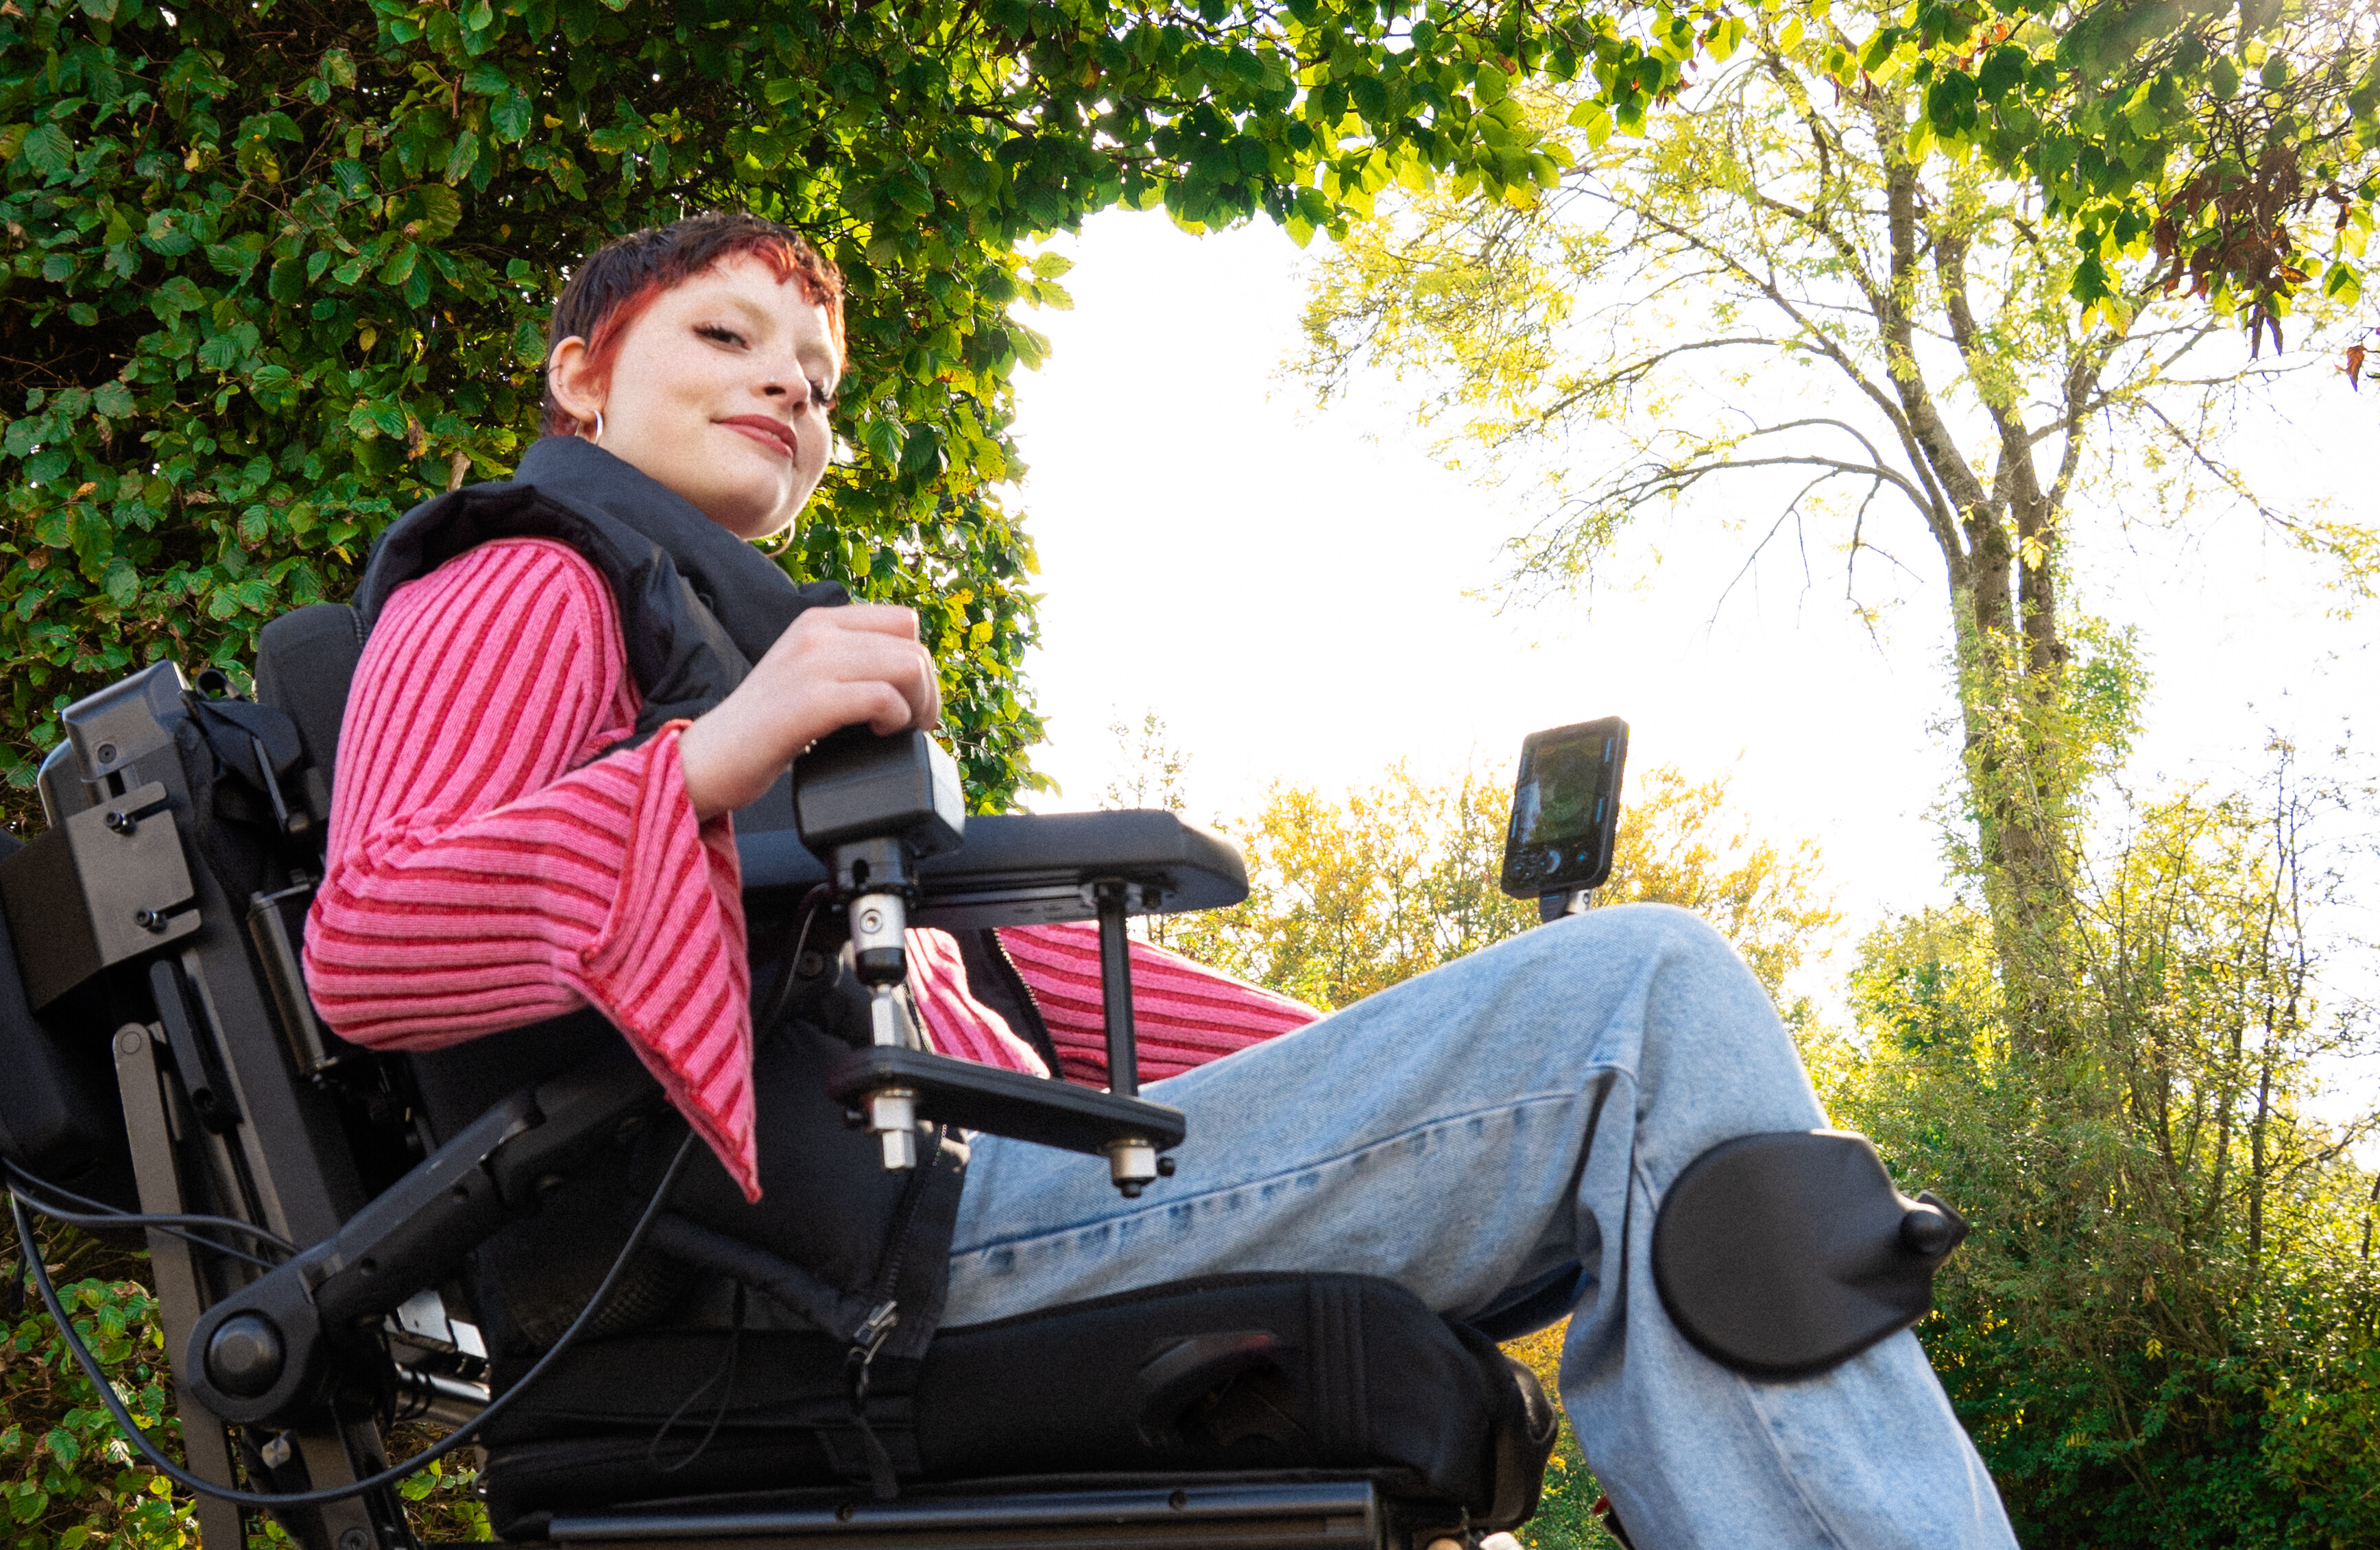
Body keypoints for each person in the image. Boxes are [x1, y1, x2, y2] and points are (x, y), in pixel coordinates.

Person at [302, 213, 2018, 1549]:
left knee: (1624, 1041)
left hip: (964, 1177)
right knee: (1648, 996)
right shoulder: (525, 577)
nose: (789, 392)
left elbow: (1034, 978)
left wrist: (1438, 1051)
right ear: (582, 380)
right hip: (851, 1245)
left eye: (817, 382)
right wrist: (715, 753)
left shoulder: (740, 642)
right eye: (728, 338)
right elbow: (372, 946)